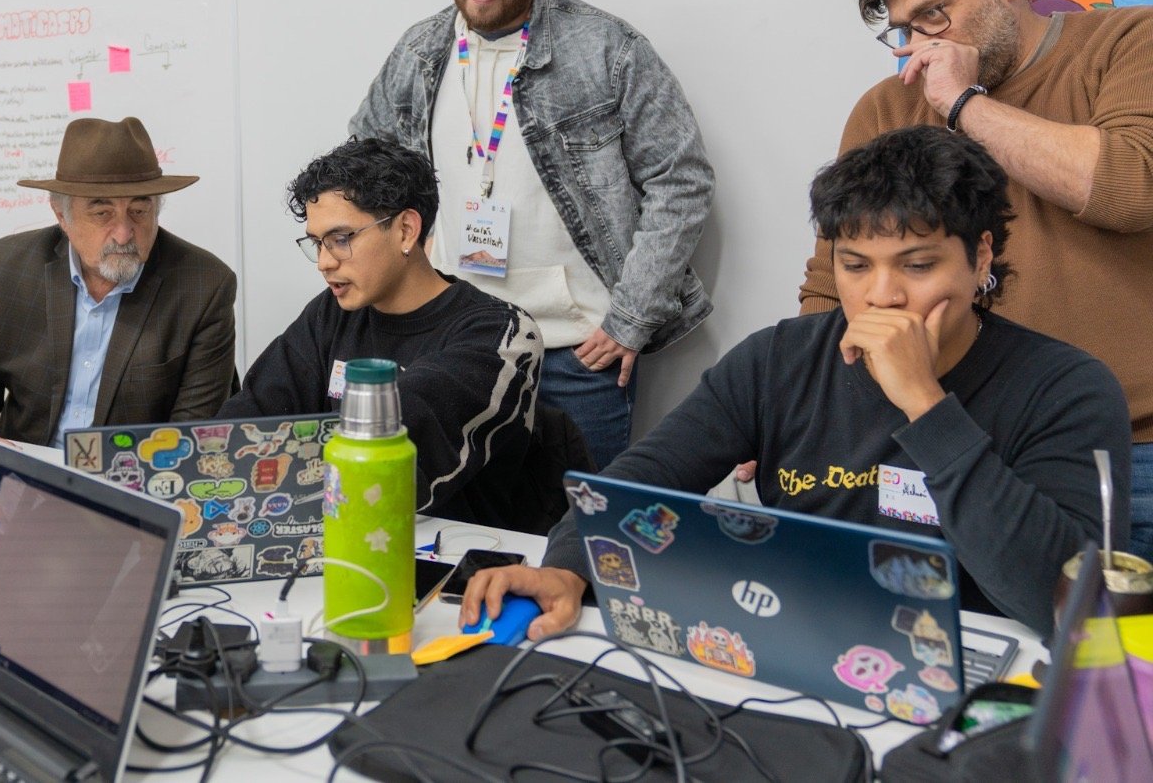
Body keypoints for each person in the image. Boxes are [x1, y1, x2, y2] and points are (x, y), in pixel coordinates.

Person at [465, 127, 1130, 638]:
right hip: (802, 641)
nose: (882, 295)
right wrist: (567, 566)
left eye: (917, 264)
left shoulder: (1068, 389)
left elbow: (1068, 602)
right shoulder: (780, 359)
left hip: (987, 668)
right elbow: (641, 480)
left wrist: (925, 405)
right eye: (856, 265)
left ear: (981, 256)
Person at [799, 0, 1153, 562]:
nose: (919, 47)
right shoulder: (886, 107)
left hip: (1129, 451)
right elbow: (832, 278)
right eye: (904, 29)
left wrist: (964, 104)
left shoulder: (1128, 43)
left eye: (935, 15)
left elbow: (1129, 187)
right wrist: (801, 414)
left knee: (1099, 630)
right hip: (942, 436)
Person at [351, 0, 713, 467]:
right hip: (449, 345)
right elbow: (364, 169)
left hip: (576, 357)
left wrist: (631, 319)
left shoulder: (607, 49)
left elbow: (681, 180)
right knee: (445, 515)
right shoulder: (419, 52)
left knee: (572, 522)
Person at [220, 137, 545, 528]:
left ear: (406, 230)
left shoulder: (500, 334)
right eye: (317, 243)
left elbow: (390, 444)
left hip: (451, 555)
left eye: (341, 240)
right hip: (339, 536)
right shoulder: (332, 312)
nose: (324, 263)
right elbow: (247, 423)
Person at [0, 117, 237, 443]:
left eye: (139, 211)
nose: (123, 233)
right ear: (62, 215)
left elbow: (191, 439)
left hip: (132, 470)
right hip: (25, 466)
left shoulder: (204, 287)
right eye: (102, 213)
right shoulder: (8, 268)